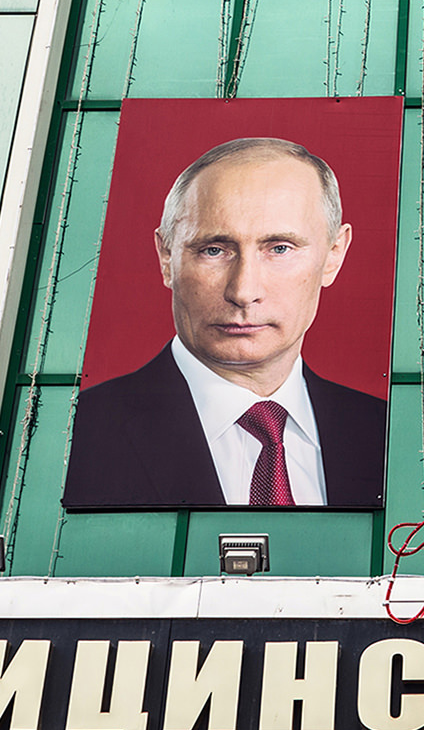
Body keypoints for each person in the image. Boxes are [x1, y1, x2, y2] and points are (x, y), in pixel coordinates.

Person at [63, 138, 387, 509]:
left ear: (334, 255)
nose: (244, 291)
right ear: (166, 257)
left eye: (279, 248)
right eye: (214, 250)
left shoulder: (387, 436)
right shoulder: (77, 431)